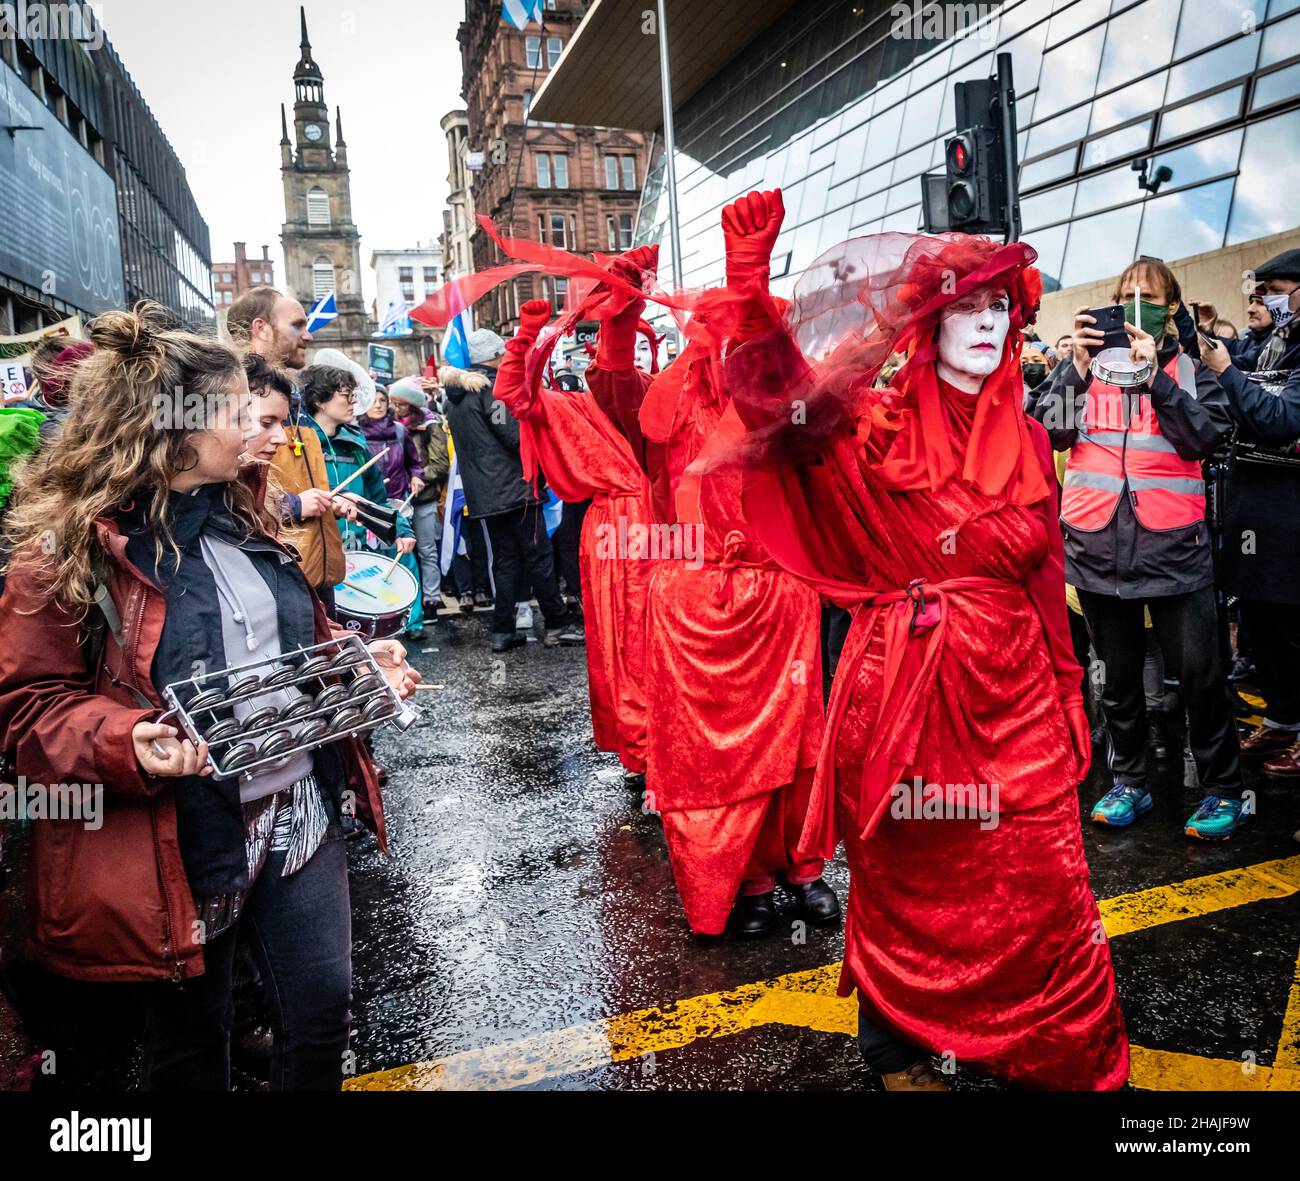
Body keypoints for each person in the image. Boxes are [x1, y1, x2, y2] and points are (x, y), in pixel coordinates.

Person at [711, 196, 1126, 1089]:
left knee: (1047, 892)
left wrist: (1067, 693)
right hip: (906, 700)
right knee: (912, 890)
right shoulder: (876, 422)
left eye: (1000, 309)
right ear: (929, 323)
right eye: (966, 308)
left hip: (1014, 698)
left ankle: (1058, 1061)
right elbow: (781, 415)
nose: (986, 323)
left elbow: (1043, 585)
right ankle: (899, 1047)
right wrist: (750, 290)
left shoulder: (1023, 434)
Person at [0, 302, 419, 1090]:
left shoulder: (247, 513)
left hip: (299, 809)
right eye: (236, 413)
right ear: (170, 426)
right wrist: (124, 741)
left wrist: (360, 664)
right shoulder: (64, 553)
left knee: (322, 1010)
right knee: (193, 1044)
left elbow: (298, 639)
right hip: (181, 837)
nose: (261, 431)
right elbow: (25, 712)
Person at [575, 228, 838, 940]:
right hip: (697, 606)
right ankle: (747, 877)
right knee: (718, 763)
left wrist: (748, 285)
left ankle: (804, 868)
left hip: (778, 594)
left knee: (798, 744)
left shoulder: (780, 399)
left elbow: (808, 423)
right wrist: (621, 323)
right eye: (715, 327)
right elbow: (617, 399)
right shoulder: (670, 404)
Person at [1034, 258, 1245, 839]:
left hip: (1173, 547)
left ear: (1170, 307)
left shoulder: (1189, 367)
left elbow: (1205, 435)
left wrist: (1157, 379)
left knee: (1200, 677)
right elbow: (1046, 430)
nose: (1132, 305)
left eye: (1146, 296)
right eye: (1124, 294)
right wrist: (1073, 368)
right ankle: (1130, 781)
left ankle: (1223, 789)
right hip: (1099, 547)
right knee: (1119, 681)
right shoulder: (1085, 368)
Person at [494, 297, 651, 785]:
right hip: (619, 533)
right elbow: (515, 395)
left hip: (667, 531)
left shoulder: (669, 396)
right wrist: (526, 338)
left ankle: (669, 742)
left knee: (663, 644)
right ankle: (643, 749)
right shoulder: (575, 407)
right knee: (626, 643)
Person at [1200, 248, 1300, 775]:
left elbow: (1279, 421)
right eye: (1258, 292)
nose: (1263, 300)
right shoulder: (1270, 345)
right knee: (1264, 629)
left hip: (1290, 520)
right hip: (1255, 517)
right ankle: (1284, 722)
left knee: (1293, 630)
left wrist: (1226, 372)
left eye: (1276, 289)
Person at [439, 328, 580, 653]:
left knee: (505, 559)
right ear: (495, 356)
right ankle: (556, 624)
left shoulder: (456, 397)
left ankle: (503, 630)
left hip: (486, 496)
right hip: (515, 489)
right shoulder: (493, 390)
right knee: (539, 555)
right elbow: (515, 438)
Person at [356, 384, 427, 641]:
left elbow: (414, 463)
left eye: (382, 400)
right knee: (374, 567)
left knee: (406, 561)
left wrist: (417, 478)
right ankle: (378, 621)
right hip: (367, 511)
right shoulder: (356, 434)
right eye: (373, 400)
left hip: (397, 507)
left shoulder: (399, 431)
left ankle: (414, 621)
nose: (378, 404)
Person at [392, 377, 449, 617]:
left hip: (423, 496)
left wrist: (416, 477)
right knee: (402, 552)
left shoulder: (430, 425)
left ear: (413, 405)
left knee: (426, 549)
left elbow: (440, 463)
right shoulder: (389, 426)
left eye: (401, 405)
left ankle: (432, 600)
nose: (396, 410)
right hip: (398, 498)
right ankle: (405, 603)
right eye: (393, 404)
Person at [226, 286, 314, 375]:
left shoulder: (238, 383)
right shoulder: (237, 386)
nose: (309, 337)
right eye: (297, 326)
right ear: (261, 329)